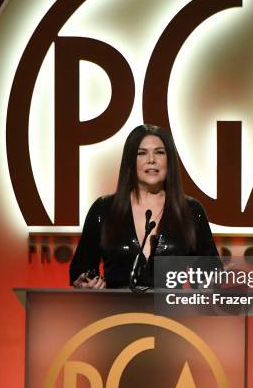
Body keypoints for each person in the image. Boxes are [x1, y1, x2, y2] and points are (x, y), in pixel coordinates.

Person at [70, 124, 220, 289]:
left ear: (169, 160)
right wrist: (86, 283)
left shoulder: (190, 211)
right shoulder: (104, 209)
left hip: (170, 314)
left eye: (159, 152)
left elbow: (208, 274)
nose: (151, 160)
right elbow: (81, 269)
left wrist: (211, 283)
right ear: (130, 161)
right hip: (114, 313)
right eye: (141, 153)